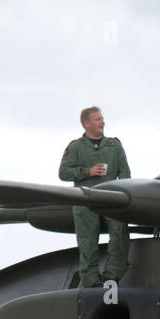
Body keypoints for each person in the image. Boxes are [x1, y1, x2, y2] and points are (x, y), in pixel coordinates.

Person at [58, 106, 131, 287]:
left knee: (119, 233)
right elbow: (64, 173)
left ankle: (113, 275)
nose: (102, 122)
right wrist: (87, 172)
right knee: (87, 240)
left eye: (102, 118)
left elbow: (125, 173)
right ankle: (91, 280)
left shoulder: (114, 146)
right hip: (85, 199)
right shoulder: (76, 147)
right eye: (97, 119)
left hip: (111, 198)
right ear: (87, 124)